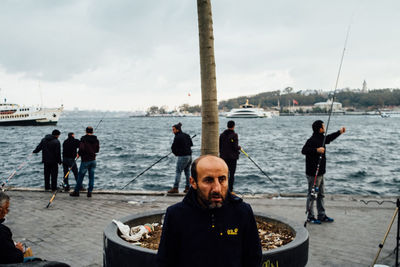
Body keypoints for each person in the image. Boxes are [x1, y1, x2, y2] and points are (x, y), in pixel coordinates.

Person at [157, 155, 262, 267]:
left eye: (222, 179)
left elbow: (253, 259)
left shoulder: (242, 212)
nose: (217, 188)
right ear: (193, 182)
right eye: (208, 180)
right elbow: (165, 261)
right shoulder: (176, 215)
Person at [302, 120, 346, 224]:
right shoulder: (311, 140)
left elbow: (329, 138)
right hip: (313, 174)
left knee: (321, 194)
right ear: (320, 129)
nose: (324, 127)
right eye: (323, 126)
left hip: (321, 173)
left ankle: (321, 215)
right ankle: (310, 216)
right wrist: (317, 150)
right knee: (312, 195)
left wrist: (339, 132)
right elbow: (304, 150)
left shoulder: (321, 138)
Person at [70, 126, 100, 198]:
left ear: (86, 131)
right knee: (91, 177)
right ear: (92, 132)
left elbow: (81, 149)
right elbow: (97, 150)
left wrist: (78, 154)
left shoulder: (83, 139)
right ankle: (89, 192)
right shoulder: (96, 140)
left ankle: (76, 192)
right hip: (93, 160)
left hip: (85, 160)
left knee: (80, 176)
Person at [168, 122, 193, 194]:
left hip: (182, 157)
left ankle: (175, 188)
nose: (173, 131)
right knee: (187, 172)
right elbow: (191, 144)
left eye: (173, 130)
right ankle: (188, 188)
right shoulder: (187, 135)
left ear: (177, 130)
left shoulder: (177, 137)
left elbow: (173, 148)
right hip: (189, 156)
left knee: (178, 172)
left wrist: (176, 153)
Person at [0, 191, 24, 264]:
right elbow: (14, 258)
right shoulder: (2, 231)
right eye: (6, 208)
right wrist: (19, 250)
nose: (7, 212)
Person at [219, 120, 241, 192]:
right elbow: (235, 146)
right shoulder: (234, 135)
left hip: (223, 157)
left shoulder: (222, 135)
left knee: (224, 174)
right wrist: (239, 148)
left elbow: (220, 146)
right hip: (232, 158)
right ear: (233, 126)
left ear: (227, 126)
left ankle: (223, 188)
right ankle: (230, 189)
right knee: (231, 174)